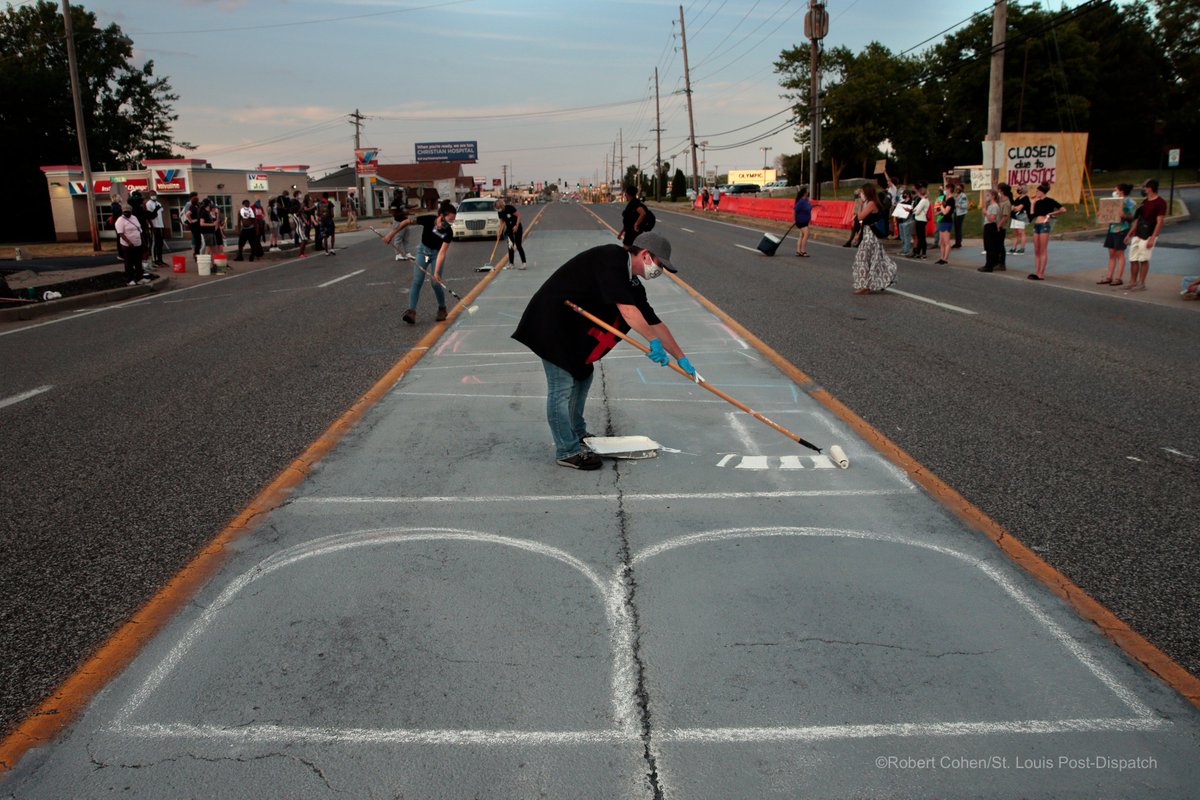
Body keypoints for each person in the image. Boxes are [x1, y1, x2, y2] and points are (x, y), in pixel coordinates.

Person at [512, 231, 695, 470]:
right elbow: (627, 311)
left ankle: (577, 433)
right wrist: (652, 341)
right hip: (551, 323)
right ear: (646, 255)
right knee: (561, 387)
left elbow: (654, 322)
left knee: (583, 374)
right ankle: (567, 451)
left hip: (572, 331)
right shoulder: (612, 259)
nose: (660, 271)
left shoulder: (633, 283)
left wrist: (681, 357)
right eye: (660, 264)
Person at [388, 200, 457, 324]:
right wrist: (391, 235)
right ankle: (411, 312)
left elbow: (442, 253)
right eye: (450, 219)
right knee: (417, 280)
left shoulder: (448, 232)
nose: (451, 223)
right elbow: (406, 221)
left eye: (453, 220)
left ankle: (442, 308)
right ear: (441, 216)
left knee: (435, 283)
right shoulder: (428, 220)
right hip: (424, 253)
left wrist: (436, 273)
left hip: (436, 255)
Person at [851, 182, 897, 294]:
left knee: (863, 259)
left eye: (862, 192)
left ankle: (864, 285)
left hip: (871, 236)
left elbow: (860, 217)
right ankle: (866, 284)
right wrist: (859, 233)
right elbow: (863, 221)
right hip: (867, 233)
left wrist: (860, 204)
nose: (861, 194)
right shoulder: (869, 202)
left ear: (867, 192)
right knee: (869, 259)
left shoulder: (871, 203)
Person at [1124, 179, 1166, 292]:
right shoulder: (1145, 202)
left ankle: (1141, 283)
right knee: (1133, 258)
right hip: (1138, 233)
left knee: (1143, 259)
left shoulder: (1160, 202)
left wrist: (1153, 238)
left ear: (1150, 188)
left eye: (1144, 187)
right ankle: (1132, 282)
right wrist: (1129, 234)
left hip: (1148, 234)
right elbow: (1138, 220)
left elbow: (1160, 221)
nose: (1143, 190)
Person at [1097, 183, 1135, 286]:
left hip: (1122, 229)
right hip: (1112, 228)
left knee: (1119, 253)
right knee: (1111, 253)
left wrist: (1125, 215)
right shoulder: (1113, 200)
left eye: (1116, 189)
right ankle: (1109, 277)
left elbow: (1133, 217)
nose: (1114, 191)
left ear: (1121, 191)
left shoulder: (1129, 202)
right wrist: (1101, 214)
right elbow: (1108, 212)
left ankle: (1118, 278)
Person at [1028, 182, 1065, 280]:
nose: (1036, 193)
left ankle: (1041, 273)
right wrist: (1032, 203)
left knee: (1043, 249)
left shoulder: (1050, 201)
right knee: (1036, 250)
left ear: (1042, 192)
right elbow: (1032, 215)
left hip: (1044, 224)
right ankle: (1037, 271)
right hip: (1037, 224)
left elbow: (1063, 209)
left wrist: (1051, 213)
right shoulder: (1038, 202)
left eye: (1037, 191)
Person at [114, 206, 151, 285]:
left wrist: (143, 242)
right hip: (127, 246)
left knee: (138, 262)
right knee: (129, 262)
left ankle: (139, 278)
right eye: (125, 212)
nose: (127, 213)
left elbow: (139, 230)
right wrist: (129, 242)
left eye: (129, 212)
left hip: (138, 243)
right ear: (123, 212)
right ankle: (129, 279)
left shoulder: (134, 218)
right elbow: (121, 233)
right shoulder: (120, 220)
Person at [495, 197, 527, 269]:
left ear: (501, 205)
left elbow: (518, 216)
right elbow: (502, 222)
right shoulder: (500, 212)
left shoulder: (510, 208)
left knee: (518, 245)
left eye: (498, 207)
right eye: (496, 208)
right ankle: (511, 264)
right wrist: (499, 231)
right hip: (509, 229)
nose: (497, 209)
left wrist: (516, 225)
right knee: (510, 246)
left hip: (517, 228)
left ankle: (524, 263)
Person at [382, 188, 413, 261]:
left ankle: (408, 253)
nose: (401, 194)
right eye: (400, 193)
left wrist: (413, 206)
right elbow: (394, 213)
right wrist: (404, 213)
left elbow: (405, 206)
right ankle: (398, 254)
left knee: (406, 238)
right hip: (398, 222)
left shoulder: (401, 201)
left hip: (405, 221)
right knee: (398, 238)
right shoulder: (394, 203)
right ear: (396, 194)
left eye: (402, 193)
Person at [978, 189, 1002, 273]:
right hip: (987, 226)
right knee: (987, 246)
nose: (987, 197)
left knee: (990, 246)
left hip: (991, 226)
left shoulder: (994, 206)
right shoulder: (990, 206)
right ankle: (988, 264)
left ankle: (989, 265)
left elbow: (992, 218)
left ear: (993, 196)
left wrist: (985, 213)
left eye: (988, 195)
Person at [144, 190, 166, 266]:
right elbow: (150, 215)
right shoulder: (148, 204)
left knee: (160, 244)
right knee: (154, 243)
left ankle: (160, 259)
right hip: (153, 226)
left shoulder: (158, 203)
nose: (154, 196)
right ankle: (154, 260)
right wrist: (151, 227)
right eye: (152, 194)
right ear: (149, 196)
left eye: (155, 194)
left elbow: (161, 211)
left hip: (160, 225)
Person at [995, 183, 1014, 270]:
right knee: (996, 245)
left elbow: (1005, 216)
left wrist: (999, 225)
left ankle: (1002, 263)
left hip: (1001, 226)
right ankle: (996, 261)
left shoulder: (1006, 202)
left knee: (1000, 245)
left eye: (998, 189)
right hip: (997, 224)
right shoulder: (1000, 200)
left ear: (1001, 191)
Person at [1009, 184, 1031, 255]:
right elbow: (1013, 207)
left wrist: (1015, 208)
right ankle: (1013, 248)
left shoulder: (1026, 198)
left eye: (1019, 188)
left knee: (1022, 232)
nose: (1018, 189)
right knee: (1015, 233)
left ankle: (1022, 248)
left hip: (1021, 216)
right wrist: (1014, 208)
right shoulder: (1018, 198)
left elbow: (1019, 208)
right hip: (1015, 217)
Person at [792, 187, 815, 257]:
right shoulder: (801, 201)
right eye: (807, 192)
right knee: (806, 234)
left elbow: (808, 208)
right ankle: (803, 251)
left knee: (802, 235)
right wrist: (794, 220)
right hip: (800, 221)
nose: (808, 193)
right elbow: (794, 210)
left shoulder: (806, 201)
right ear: (805, 193)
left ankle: (798, 251)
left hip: (805, 221)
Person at [911, 182, 930, 260]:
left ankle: (924, 253)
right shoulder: (922, 200)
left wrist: (913, 211)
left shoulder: (924, 201)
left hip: (921, 220)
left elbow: (917, 211)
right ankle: (918, 252)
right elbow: (915, 208)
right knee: (920, 237)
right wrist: (913, 210)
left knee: (922, 238)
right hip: (919, 219)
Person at [934, 191, 954, 264]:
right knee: (941, 242)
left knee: (946, 242)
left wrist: (941, 205)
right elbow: (937, 212)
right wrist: (938, 208)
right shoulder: (944, 200)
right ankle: (941, 258)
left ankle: (945, 259)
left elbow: (945, 212)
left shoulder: (951, 201)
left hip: (947, 222)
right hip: (942, 221)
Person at [894, 189, 915, 258]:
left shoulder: (911, 202)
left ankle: (906, 250)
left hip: (907, 220)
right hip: (901, 220)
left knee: (906, 235)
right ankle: (903, 249)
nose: (904, 195)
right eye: (904, 194)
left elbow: (911, 210)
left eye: (906, 194)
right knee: (902, 236)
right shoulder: (902, 202)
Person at [953, 184, 969, 248]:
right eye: (956, 188)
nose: (957, 189)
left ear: (962, 189)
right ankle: (956, 242)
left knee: (958, 228)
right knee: (956, 228)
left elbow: (965, 206)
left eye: (959, 188)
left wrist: (957, 205)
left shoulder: (963, 196)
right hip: (956, 212)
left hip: (961, 213)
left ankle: (959, 243)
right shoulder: (956, 195)